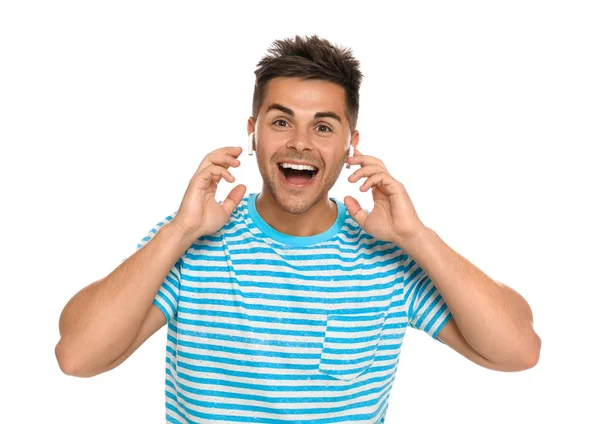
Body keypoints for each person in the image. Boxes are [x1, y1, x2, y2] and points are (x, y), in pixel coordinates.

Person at [55, 34, 541, 423]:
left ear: (352, 143)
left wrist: (418, 238)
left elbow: (518, 350)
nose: (301, 143)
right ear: (253, 131)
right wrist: (179, 231)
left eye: (324, 127)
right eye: (281, 122)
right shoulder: (189, 239)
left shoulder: (391, 252)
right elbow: (77, 356)